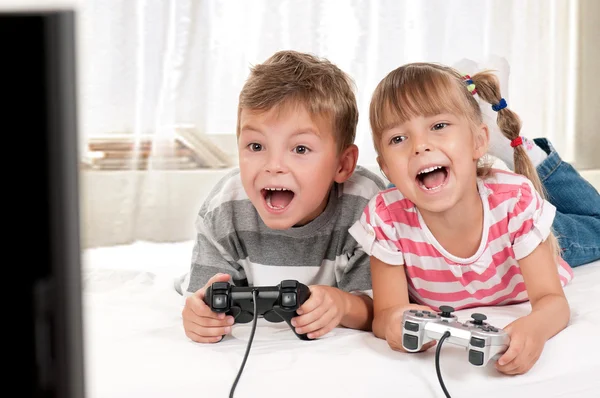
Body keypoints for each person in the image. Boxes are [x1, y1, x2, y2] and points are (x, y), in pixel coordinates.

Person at [349, 61, 588, 376]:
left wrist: (535, 328)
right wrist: (395, 324)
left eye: (438, 126)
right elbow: (387, 313)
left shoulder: (514, 202)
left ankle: (530, 151)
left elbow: (552, 301)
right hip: (502, 251)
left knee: (592, 224)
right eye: (398, 139)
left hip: (529, 246)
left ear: (478, 141)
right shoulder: (386, 218)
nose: (420, 146)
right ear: (387, 170)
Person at [175, 50, 387, 344]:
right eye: (256, 146)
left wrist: (342, 305)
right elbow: (201, 300)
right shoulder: (225, 208)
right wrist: (200, 317)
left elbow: (385, 309)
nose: (273, 166)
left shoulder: (367, 206)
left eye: (300, 149)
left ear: (342, 165)